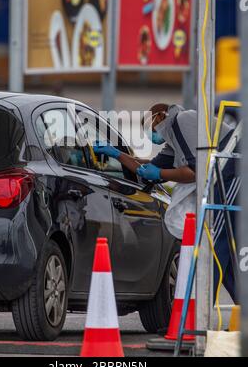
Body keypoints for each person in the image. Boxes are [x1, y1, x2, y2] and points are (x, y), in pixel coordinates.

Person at [94, 103, 239, 302]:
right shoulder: (174, 139)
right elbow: (148, 168)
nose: (150, 133)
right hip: (225, 177)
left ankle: (197, 311)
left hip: (233, 175)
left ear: (161, 116)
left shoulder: (181, 120)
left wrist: (160, 173)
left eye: (150, 125)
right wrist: (117, 154)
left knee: (215, 248)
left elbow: (195, 172)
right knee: (226, 257)